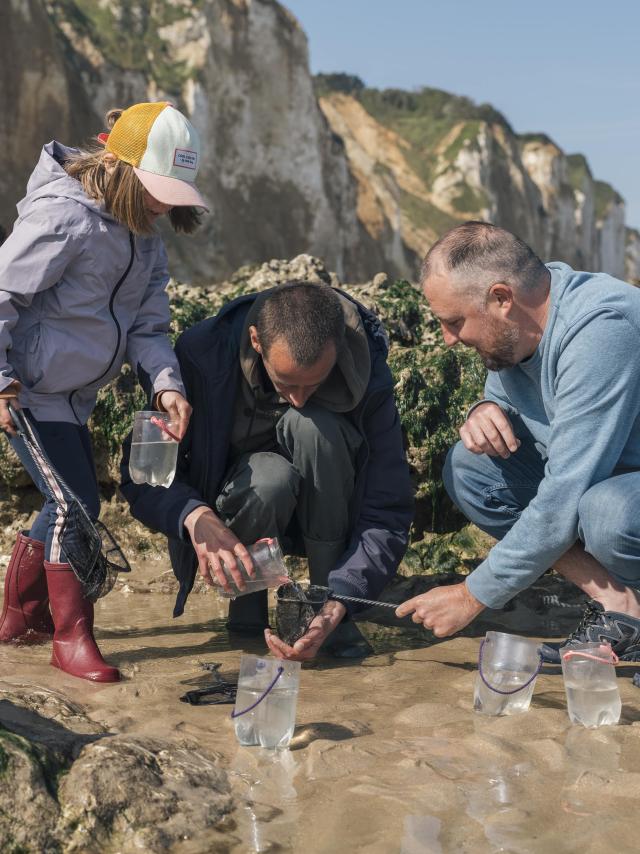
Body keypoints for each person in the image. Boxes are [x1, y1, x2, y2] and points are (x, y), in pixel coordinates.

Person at [0, 101, 207, 682]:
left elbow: (147, 324)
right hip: (28, 390)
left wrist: (166, 385)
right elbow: (2, 294)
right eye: (157, 189)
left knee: (64, 502)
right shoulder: (62, 217)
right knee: (76, 506)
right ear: (120, 167)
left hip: (72, 396)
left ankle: (22, 618)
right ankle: (71, 637)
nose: (164, 204)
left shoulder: (145, 237)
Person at [120, 280, 414, 660]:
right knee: (268, 477)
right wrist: (195, 516)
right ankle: (246, 616)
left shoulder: (369, 371)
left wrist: (343, 600)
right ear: (256, 341)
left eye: (316, 382)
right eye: (285, 382)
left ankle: (325, 609)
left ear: (337, 349)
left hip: (332, 512)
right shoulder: (201, 355)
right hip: (238, 512)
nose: (297, 397)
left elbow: (386, 510)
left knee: (312, 425)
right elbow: (142, 476)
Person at [397, 221, 640, 663]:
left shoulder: (601, 328)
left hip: (618, 495)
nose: (449, 340)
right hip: (609, 475)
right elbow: (512, 396)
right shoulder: (518, 328)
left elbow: (565, 492)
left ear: (501, 298)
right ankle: (622, 606)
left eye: (454, 322)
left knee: (606, 513)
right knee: (470, 471)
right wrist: (484, 411)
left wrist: (473, 596)